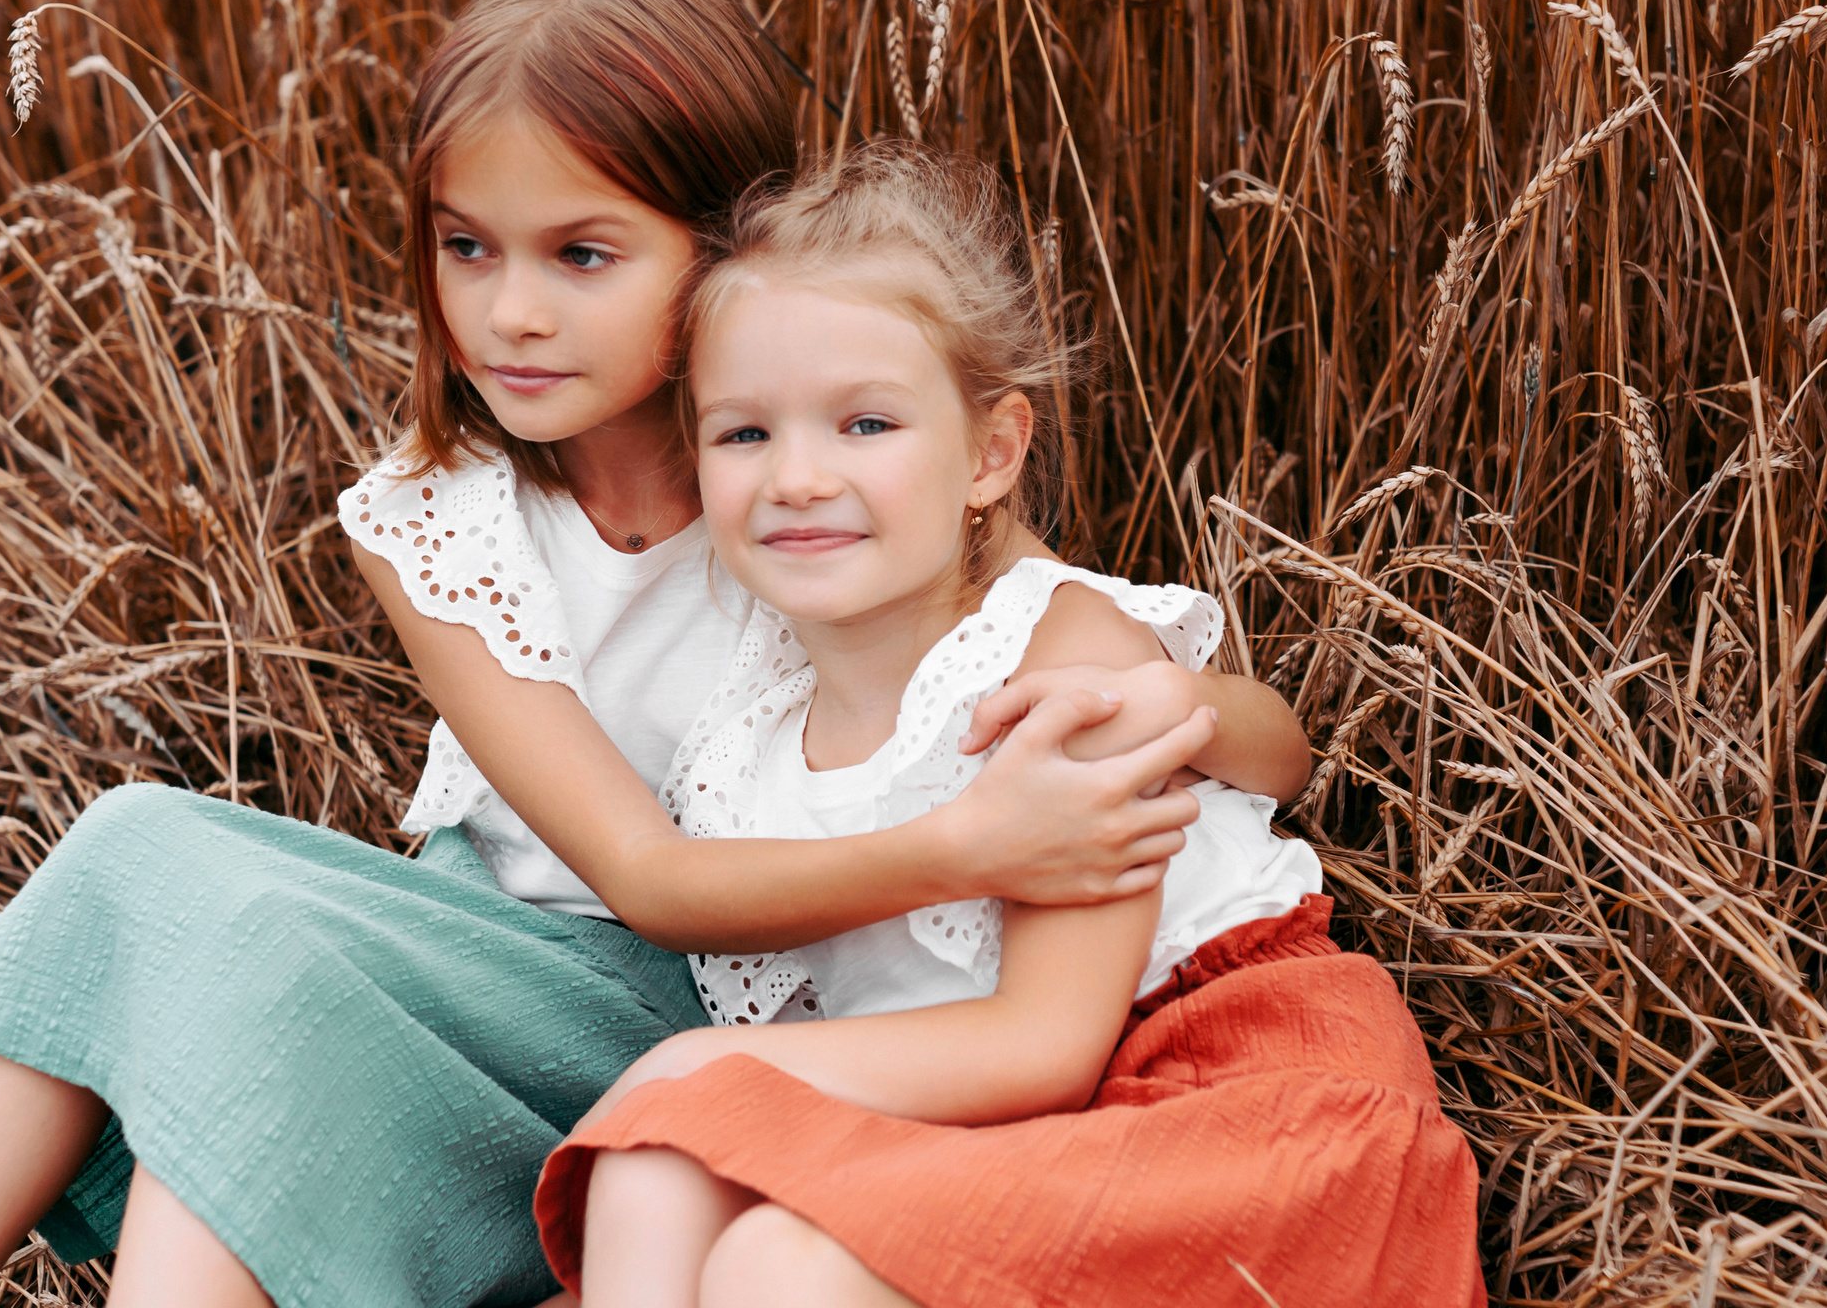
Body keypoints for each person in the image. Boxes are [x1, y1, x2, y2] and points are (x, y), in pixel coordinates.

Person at [0, 0, 1311, 1308]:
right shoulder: (437, 519)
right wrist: (971, 846)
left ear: (725, 248)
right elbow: (640, 867)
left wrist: (1159, 726)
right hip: (483, 951)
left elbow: (1088, 658)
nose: (511, 313)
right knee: (155, 870)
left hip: (674, 999)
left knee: (244, 946)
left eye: (582, 255)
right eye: (466, 249)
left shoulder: (796, 490)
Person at [533, 141, 1485, 1308]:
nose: (796, 475)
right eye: (745, 433)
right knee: (654, 1166)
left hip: (1230, 1099)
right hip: (1004, 1118)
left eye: (866, 424)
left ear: (989, 454)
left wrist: (697, 1065)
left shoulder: (1050, 666)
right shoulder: (748, 733)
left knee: (766, 1247)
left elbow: (1048, 1041)